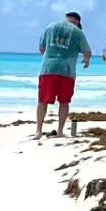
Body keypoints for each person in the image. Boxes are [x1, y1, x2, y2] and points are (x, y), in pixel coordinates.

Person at [36, 11, 91, 140]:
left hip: (48, 69)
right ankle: (60, 131)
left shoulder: (50, 27)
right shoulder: (78, 32)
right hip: (67, 71)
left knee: (42, 100)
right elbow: (87, 51)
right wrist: (86, 60)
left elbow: (42, 48)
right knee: (64, 102)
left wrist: (49, 57)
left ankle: (38, 131)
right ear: (77, 22)